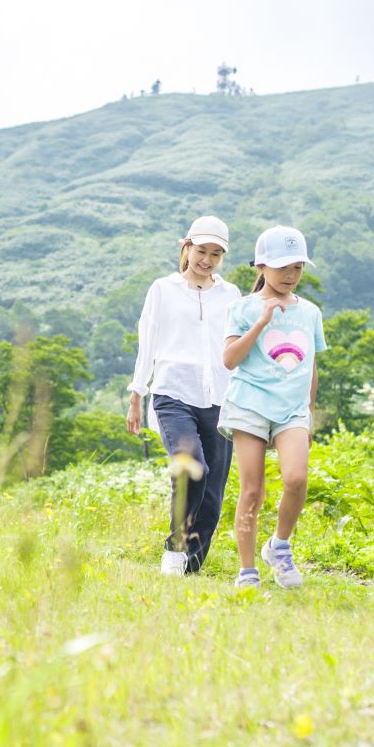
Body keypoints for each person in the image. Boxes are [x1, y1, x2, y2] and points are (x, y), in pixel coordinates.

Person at [127, 216, 243, 576]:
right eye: (200, 250)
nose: (206, 259)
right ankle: (175, 549)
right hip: (171, 392)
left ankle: (188, 568)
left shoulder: (231, 294)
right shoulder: (163, 289)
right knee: (193, 468)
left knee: (212, 493)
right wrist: (137, 393)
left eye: (215, 253)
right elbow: (148, 340)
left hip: (221, 397)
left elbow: (239, 348)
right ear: (186, 247)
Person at [219, 225, 326, 591]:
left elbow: (311, 365)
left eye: (297, 267)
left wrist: (308, 413)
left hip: (292, 410)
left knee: (297, 479)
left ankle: (278, 545)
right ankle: (247, 570)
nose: (291, 276)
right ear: (261, 266)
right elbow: (230, 360)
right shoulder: (242, 308)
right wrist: (262, 321)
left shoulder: (310, 312)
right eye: (283, 268)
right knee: (252, 489)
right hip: (249, 405)